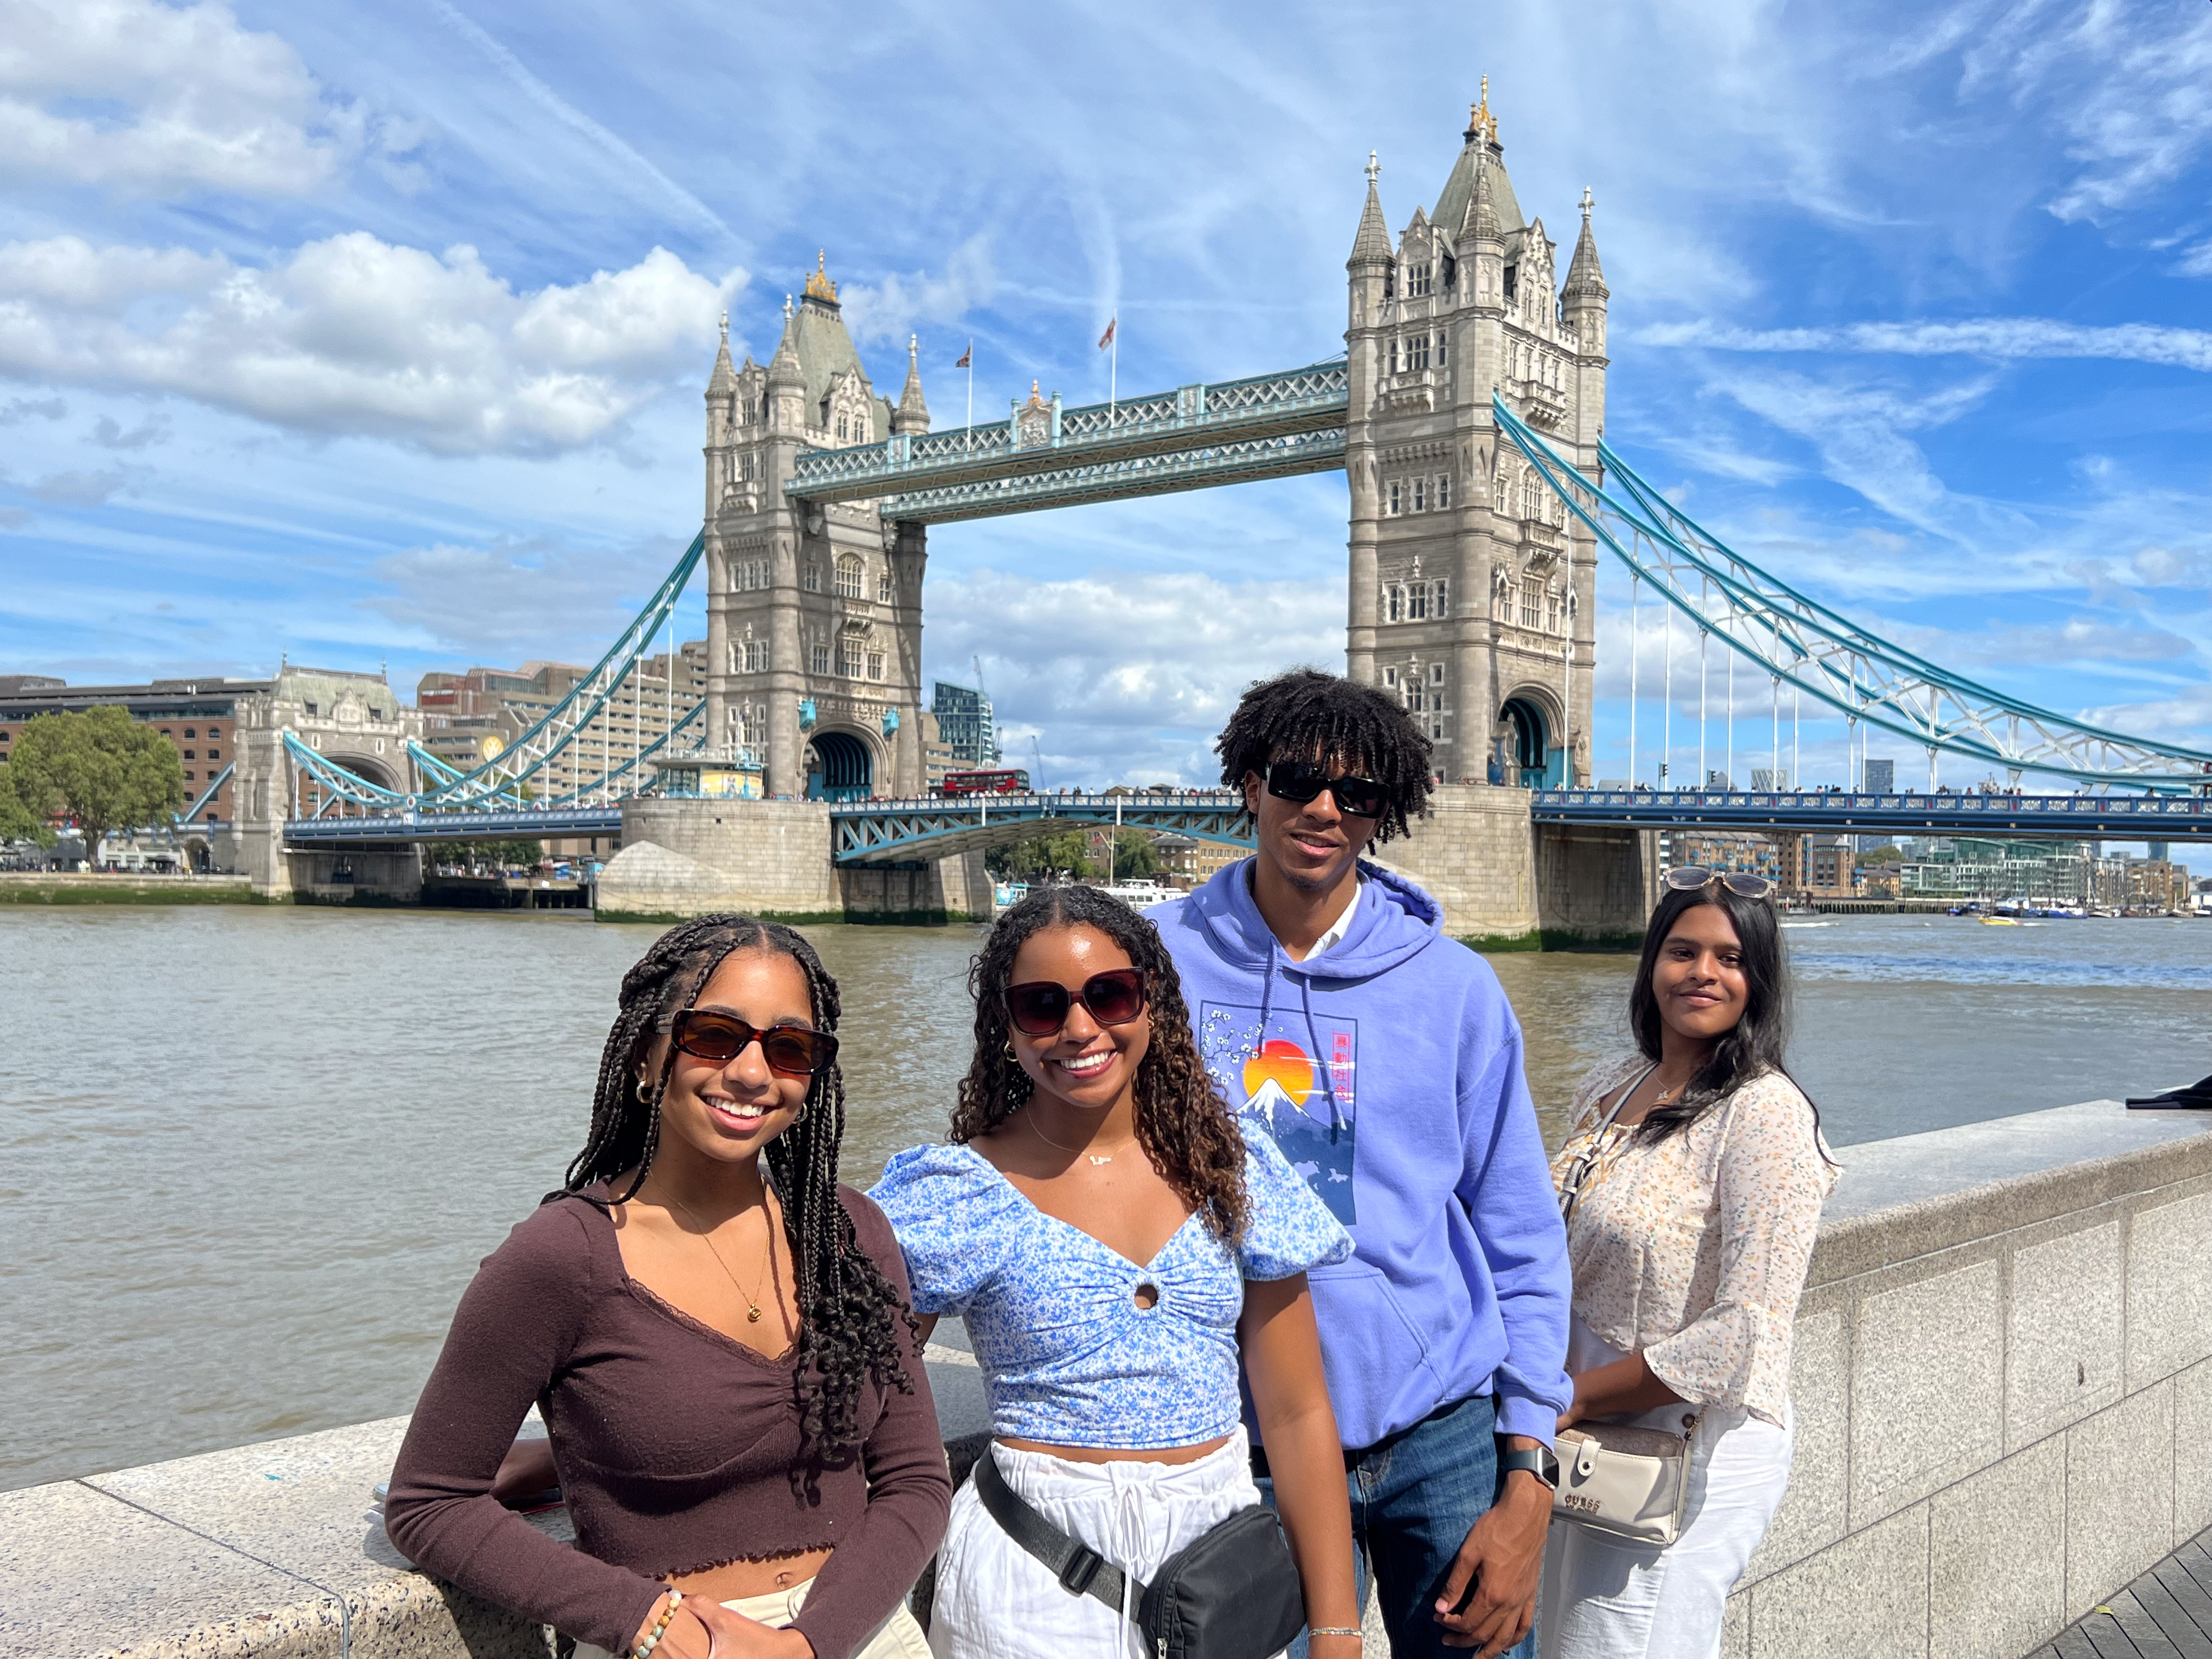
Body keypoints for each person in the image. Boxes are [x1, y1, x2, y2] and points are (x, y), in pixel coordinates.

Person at [384, 917, 950, 1659]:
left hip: (861, 1639)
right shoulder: (563, 1257)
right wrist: (647, 1621)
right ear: (647, 1056)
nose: (752, 1073)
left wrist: (810, 1645)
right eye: (715, 1035)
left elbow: (915, 1480)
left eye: (789, 1048)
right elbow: (429, 1503)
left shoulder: (850, 1235)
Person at [1149, 669, 1572, 1659]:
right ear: (1250, 784)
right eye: (1298, 779)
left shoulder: (1458, 989)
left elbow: (1520, 1237)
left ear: (1387, 813)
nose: (1325, 810)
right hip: (1235, 1436)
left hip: (1443, 1434)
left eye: (1360, 794)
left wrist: (1530, 1474)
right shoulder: (1150, 963)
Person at [869, 886, 1364, 1659]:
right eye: (1041, 1006)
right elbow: (864, 1404)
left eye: (1111, 994)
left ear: (1153, 1003)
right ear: (1005, 1029)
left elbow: (1298, 1413)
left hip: (1219, 1570)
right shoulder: (956, 1191)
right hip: (1027, 1575)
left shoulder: (1232, 1171)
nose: (1079, 1028)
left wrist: (1337, 1628)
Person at [1539, 870, 1837, 1659]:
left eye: (1731, 958)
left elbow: (1741, 1332)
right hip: (1579, 1436)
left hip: (1679, 1443)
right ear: (1652, 966)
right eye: (1682, 951)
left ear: (1759, 981)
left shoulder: (1766, 1113)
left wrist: (1570, 1397)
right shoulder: (1616, 1081)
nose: (1703, 972)